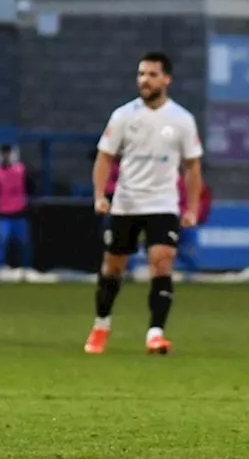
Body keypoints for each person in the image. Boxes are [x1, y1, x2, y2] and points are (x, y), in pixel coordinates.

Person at [85, 51, 202, 355]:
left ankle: (155, 333)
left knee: (162, 263)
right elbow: (105, 157)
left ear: (166, 79)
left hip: (163, 204)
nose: (144, 80)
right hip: (126, 203)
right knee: (113, 268)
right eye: (141, 74)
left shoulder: (182, 120)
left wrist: (191, 207)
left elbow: (192, 167)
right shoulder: (124, 116)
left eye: (151, 74)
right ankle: (101, 324)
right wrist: (100, 196)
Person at [0, 144, 35, 270]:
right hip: (4, 216)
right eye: (4, 154)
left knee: (24, 244)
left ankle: (27, 269)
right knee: (1, 243)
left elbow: (32, 188)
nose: (6, 157)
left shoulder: (21, 171)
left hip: (20, 214)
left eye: (8, 154)